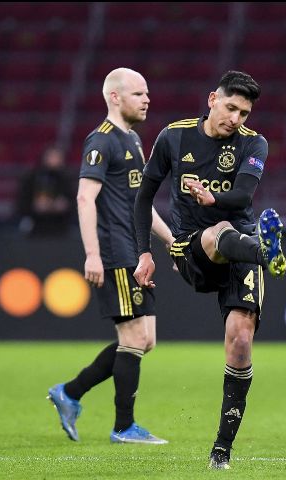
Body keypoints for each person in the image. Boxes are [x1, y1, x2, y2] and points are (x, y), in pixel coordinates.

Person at [132, 70, 286, 470]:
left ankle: (221, 450)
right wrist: (144, 253)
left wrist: (211, 195)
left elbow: (242, 194)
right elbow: (144, 195)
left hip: (241, 243)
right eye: (231, 107)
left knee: (239, 342)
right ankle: (265, 253)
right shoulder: (174, 137)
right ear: (211, 99)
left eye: (244, 112)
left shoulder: (254, 143)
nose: (236, 118)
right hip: (190, 248)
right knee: (218, 229)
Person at [47, 67, 174, 445]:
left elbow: (141, 204)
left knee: (144, 340)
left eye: (147, 93)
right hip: (115, 251)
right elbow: (85, 197)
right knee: (133, 336)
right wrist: (92, 254)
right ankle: (123, 427)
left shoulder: (133, 140)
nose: (147, 99)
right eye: (139, 93)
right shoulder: (100, 141)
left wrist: (170, 240)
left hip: (136, 251)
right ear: (115, 97)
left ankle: (69, 393)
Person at [16, 145, 76, 237]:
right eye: (52, 157)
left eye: (58, 157)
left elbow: (76, 203)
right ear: (44, 158)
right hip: (35, 227)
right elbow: (20, 204)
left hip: (62, 228)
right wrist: (34, 206)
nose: (55, 160)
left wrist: (64, 206)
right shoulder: (31, 178)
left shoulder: (67, 179)